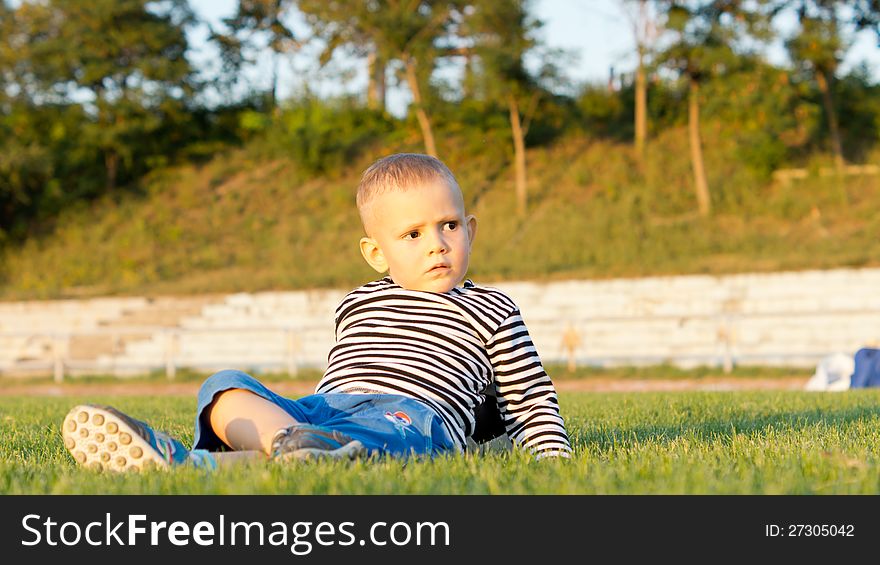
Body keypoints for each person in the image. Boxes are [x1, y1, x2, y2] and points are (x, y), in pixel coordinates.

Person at [62, 153, 572, 472]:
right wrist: (303, 421)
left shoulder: (491, 308)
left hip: (412, 417)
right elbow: (344, 372)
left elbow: (528, 397)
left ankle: (209, 463)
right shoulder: (358, 302)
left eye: (450, 226)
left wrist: (550, 459)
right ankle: (278, 448)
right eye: (413, 234)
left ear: (471, 229)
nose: (437, 245)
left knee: (378, 438)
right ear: (377, 254)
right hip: (325, 410)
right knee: (224, 386)